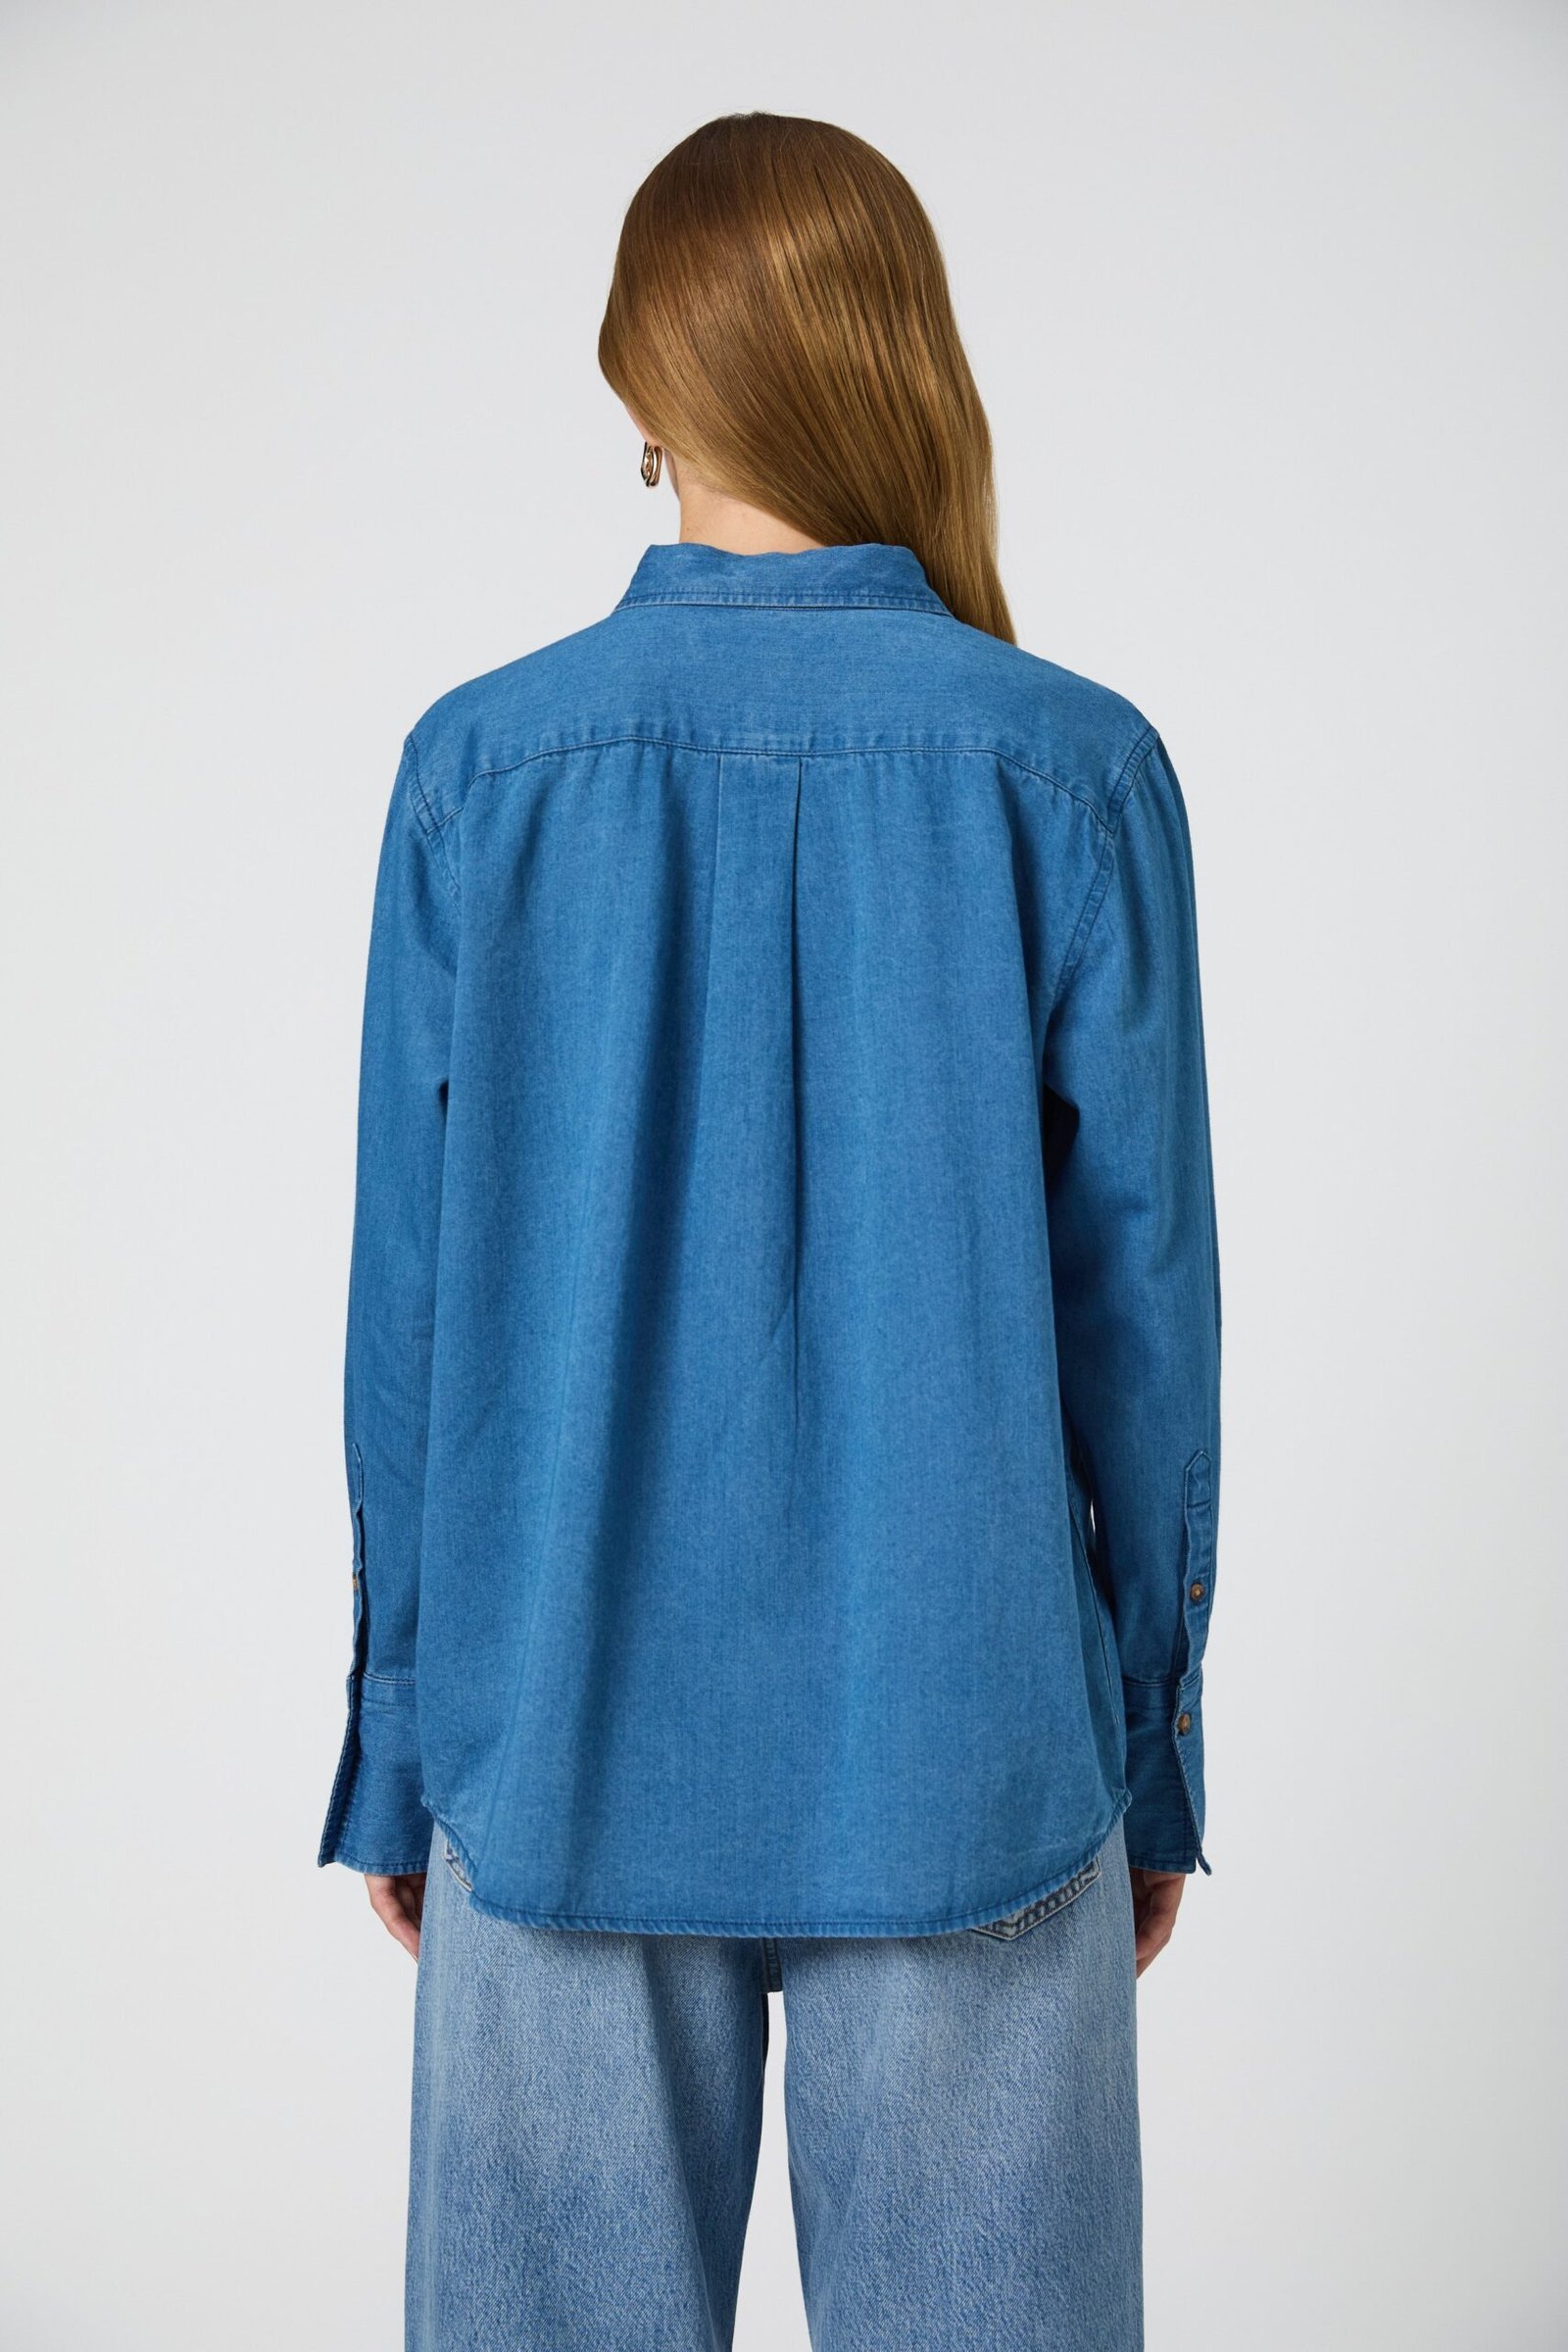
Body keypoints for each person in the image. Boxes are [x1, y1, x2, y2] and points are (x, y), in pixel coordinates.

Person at [318, 111, 1221, 2352]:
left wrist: (403, 1742)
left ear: (643, 387)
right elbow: (1142, 1320)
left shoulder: (479, 773)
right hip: (971, 1751)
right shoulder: (1070, 769)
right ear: (900, 355)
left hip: (555, 1739)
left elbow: (407, 1315)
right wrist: (1145, 1752)